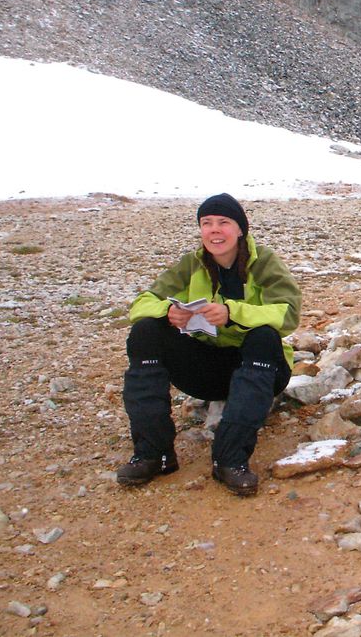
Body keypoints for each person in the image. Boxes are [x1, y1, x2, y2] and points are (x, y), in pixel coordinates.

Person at [117, 193, 301, 496]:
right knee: (145, 331)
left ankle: (230, 460)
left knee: (264, 335)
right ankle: (154, 454)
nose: (215, 230)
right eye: (207, 223)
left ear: (240, 229)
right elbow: (140, 304)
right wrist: (169, 311)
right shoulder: (191, 264)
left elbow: (288, 312)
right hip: (209, 369)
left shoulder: (264, 262)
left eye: (224, 222)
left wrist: (232, 313)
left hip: (261, 369)